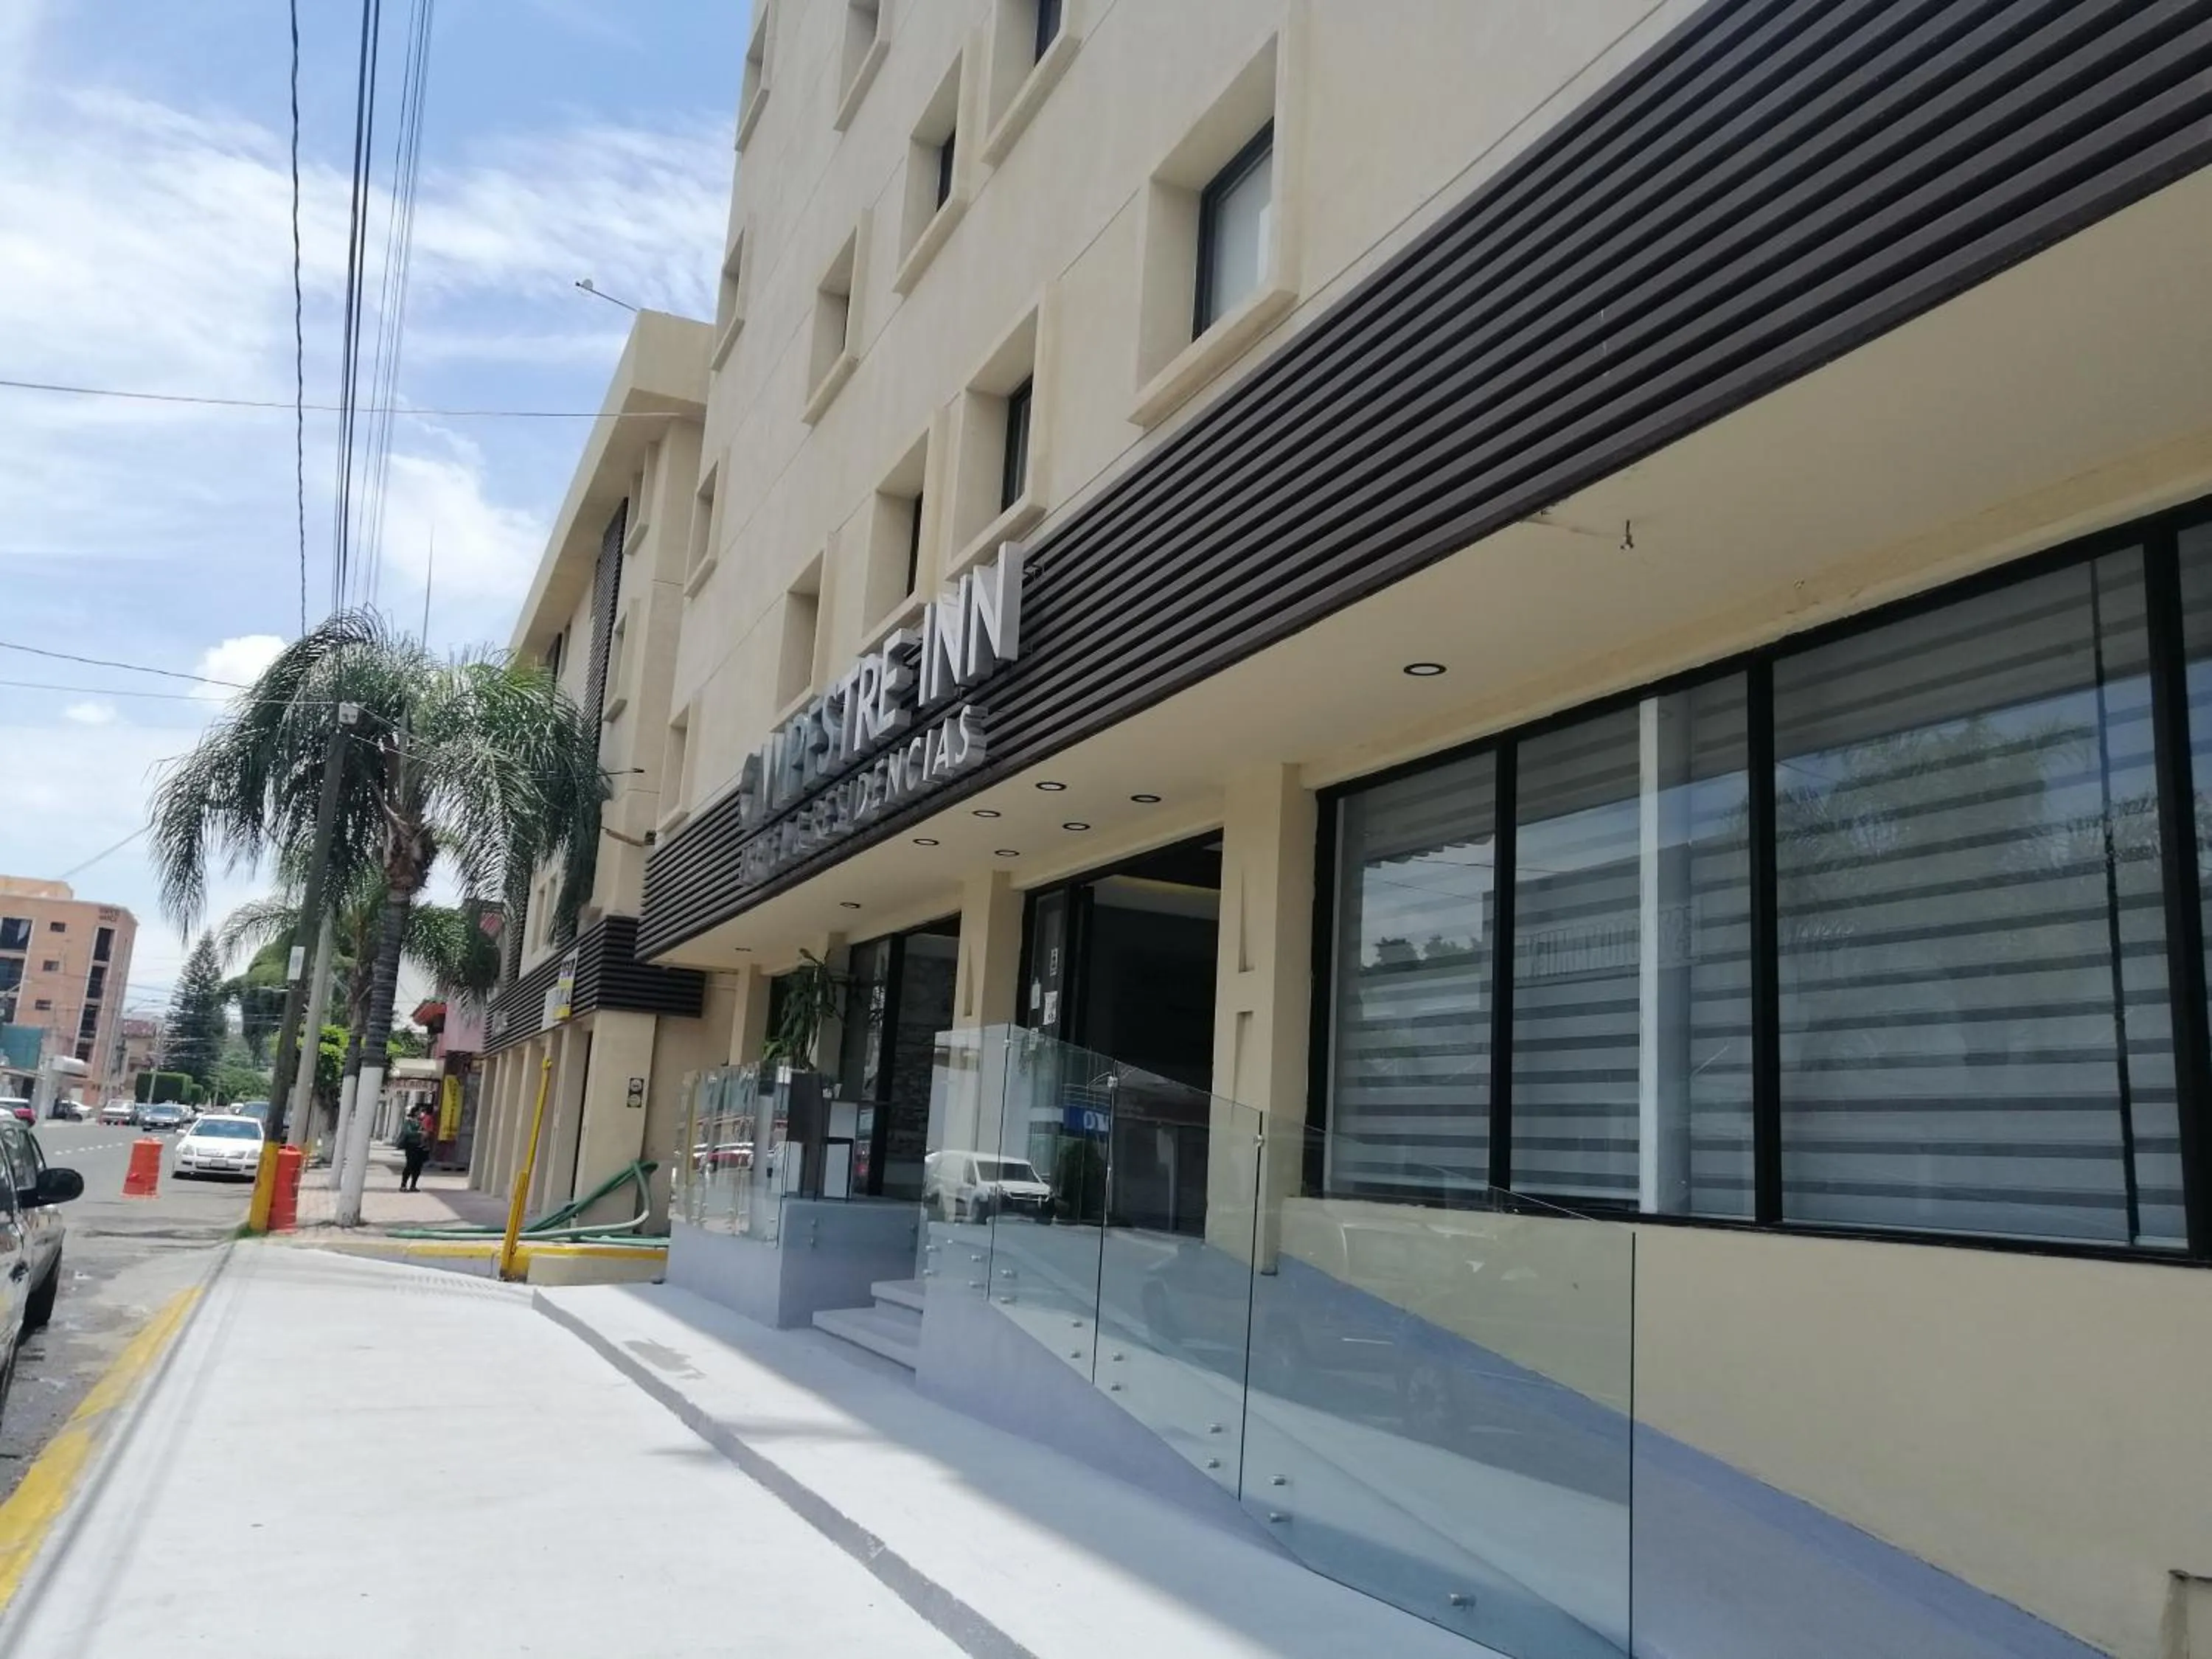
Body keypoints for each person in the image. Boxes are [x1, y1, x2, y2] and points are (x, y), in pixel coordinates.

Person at [398, 1104, 431, 1192]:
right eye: (421, 1111)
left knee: (418, 1167)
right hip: (411, 1146)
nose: (422, 1113)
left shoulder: (421, 1122)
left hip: (420, 1147)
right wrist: (420, 1133)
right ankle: (403, 1185)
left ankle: (413, 1185)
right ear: (416, 1112)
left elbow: (426, 1131)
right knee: (409, 1165)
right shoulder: (409, 1122)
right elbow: (408, 1132)